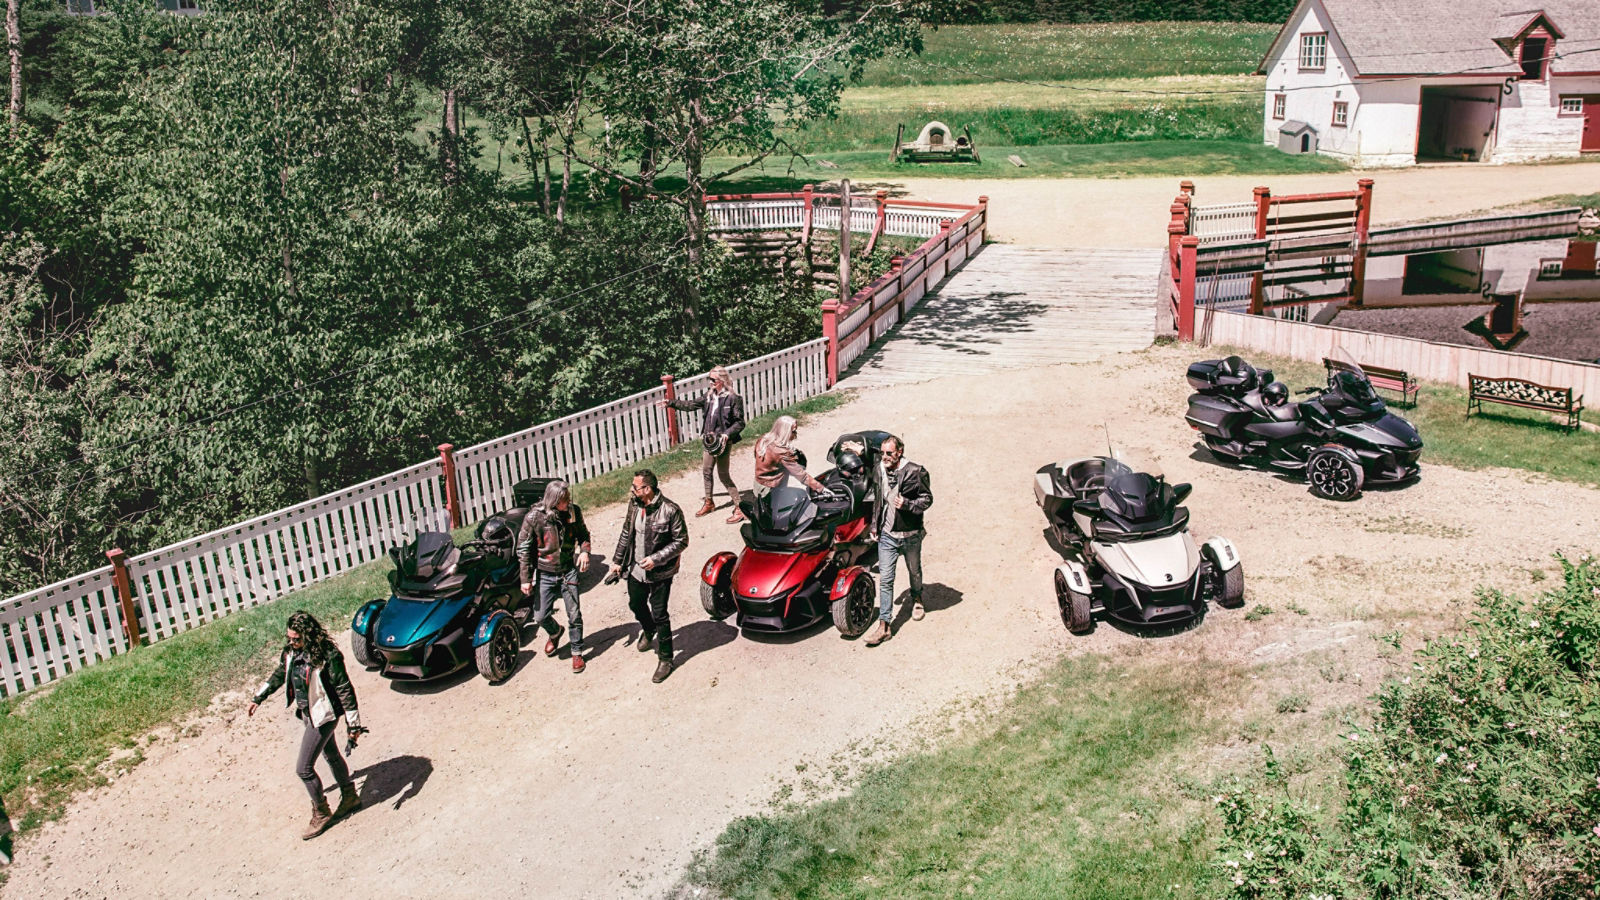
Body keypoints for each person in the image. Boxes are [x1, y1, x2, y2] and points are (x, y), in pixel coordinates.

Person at [247, 611, 365, 839]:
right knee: (331, 755)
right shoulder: (291, 652)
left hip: (325, 716)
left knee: (303, 768)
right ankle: (350, 796)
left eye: (297, 639)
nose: (292, 643)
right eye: (289, 638)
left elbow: (344, 688)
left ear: (309, 635)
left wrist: (354, 726)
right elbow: (280, 673)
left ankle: (321, 812)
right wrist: (258, 697)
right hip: (309, 714)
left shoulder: (328, 655)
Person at [609, 470, 689, 683]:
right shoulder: (634, 505)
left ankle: (666, 659)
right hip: (636, 569)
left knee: (660, 613)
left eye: (635, 487)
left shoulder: (670, 510)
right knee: (635, 604)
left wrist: (657, 558)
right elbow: (627, 532)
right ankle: (648, 628)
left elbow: (681, 541)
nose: (631, 490)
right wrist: (617, 562)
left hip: (660, 573)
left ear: (647, 489)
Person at [518, 479, 592, 673]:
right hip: (545, 572)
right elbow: (523, 549)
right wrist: (525, 579)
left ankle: (577, 652)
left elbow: (583, 535)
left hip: (568, 570)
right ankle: (555, 632)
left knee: (574, 614)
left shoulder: (573, 512)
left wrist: (584, 551)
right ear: (552, 500)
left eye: (568, 498)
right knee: (540, 616)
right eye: (563, 500)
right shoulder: (534, 517)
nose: (568, 503)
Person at [865, 435, 933, 647]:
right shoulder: (879, 469)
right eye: (882, 453)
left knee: (914, 571)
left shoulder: (916, 471)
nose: (884, 457)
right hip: (887, 536)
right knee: (885, 579)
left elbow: (927, 499)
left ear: (900, 452)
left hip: (910, 534)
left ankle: (917, 598)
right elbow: (878, 499)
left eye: (889, 453)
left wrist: (908, 504)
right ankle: (884, 625)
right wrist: (875, 525)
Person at [659, 365, 747, 523]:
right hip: (709, 441)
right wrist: (670, 403)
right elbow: (690, 405)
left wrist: (726, 435)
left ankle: (740, 508)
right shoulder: (709, 396)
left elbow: (740, 423)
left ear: (722, 380)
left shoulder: (733, 398)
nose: (710, 382)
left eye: (713, 380)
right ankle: (709, 502)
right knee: (706, 471)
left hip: (722, 442)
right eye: (709, 379)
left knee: (723, 475)